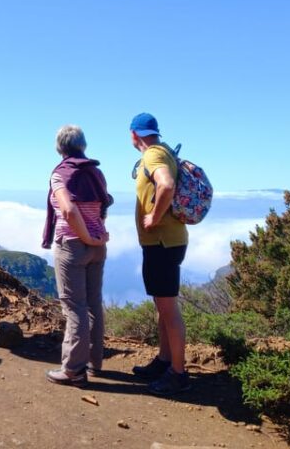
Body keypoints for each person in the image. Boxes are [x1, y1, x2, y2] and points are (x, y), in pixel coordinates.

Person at [42, 125, 110, 386]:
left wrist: (85, 237)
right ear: (83, 146)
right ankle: (94, 363)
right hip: (97, 246)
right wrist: (96, 236)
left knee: (74, 308)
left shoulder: (61, 174)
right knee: (93, 304)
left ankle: (72, 370)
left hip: (72, 244)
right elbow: (103, 204)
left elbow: (69, 210)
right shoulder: (96, 173)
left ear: (60, 148)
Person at [129, 112, 190, 394]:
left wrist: (153, 217)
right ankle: (165, 360)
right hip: (169, 241)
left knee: (168, 307)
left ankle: (177, 373)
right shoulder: (164, 150)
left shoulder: (153, 155)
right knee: (162, 305)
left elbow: (166, 184)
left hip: (162, 243)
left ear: (134, 135)